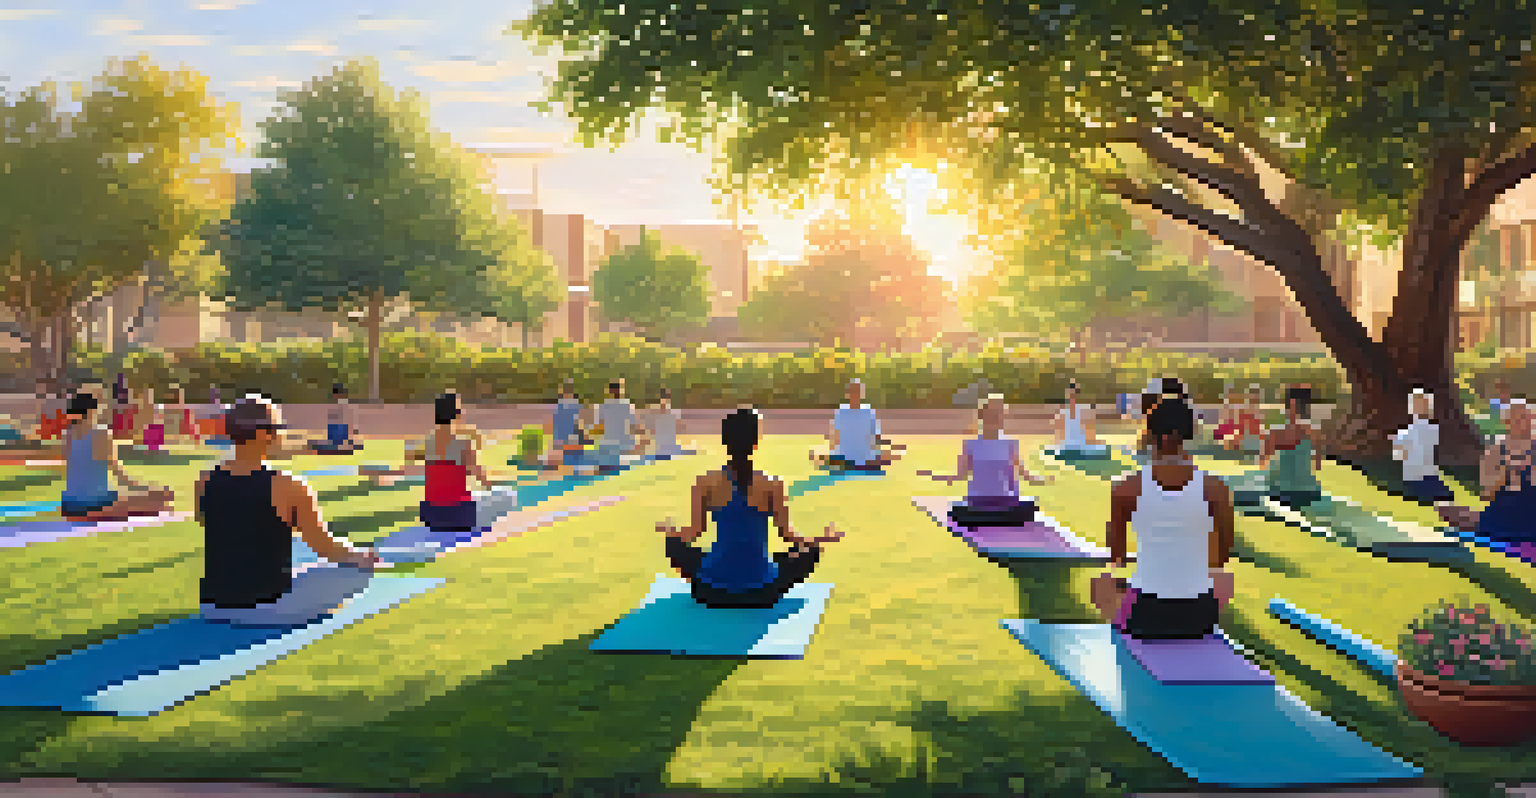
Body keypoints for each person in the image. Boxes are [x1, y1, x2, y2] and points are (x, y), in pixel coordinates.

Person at [196, 396, 381, 627]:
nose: (281, 436)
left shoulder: (204, 479)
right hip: (267, 608)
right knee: (359, 571)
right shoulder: (288, 484)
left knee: (304, 569)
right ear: (265, 434)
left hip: (212, 607)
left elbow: (213, 525)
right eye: (277, 428)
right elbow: (323, 546)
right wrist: (362, 557)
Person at [658, 408, 842, 608]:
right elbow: (789, 536)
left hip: (710, 592)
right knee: (808, 553)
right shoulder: (773, 484)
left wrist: (672, 533)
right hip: (762, 593)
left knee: (674, 546)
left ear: (725, 443)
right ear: (755, 444)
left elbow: (694, 533)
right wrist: (819, 540)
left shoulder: (705, 482)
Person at [1092, 392, 1237, 640]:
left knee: (1101, 585)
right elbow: (1221, 556)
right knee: (1224, 578)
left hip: (1144, 617)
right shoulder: (1217, 488)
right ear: (1189, 433)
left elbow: (1115, 556)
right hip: (1199, 618)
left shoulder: (1126, 487)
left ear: (1151, 434)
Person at [918, 393, 1053, 528]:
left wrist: (1044, 479)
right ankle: (995, 517)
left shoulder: (1011, 444)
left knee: (1031, 505)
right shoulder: (970, 444)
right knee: (957, 511)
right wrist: (932, 475)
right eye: (993, 414)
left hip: (1006, 502)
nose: (997, 418)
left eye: (1000, 414)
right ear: (983, 416)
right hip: (978, 502)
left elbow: (1024, 474)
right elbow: (959, 475)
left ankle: (997, 516)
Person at [57, 392, 176, 521]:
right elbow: (119, 475)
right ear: (92, 411)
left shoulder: (66, 435)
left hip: (69, 505)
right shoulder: (102, 433)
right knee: (161, 499)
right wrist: (147, 488)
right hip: (95, 504)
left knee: (148, 498)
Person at [1438, 399, 1536, 547]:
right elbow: (1487, 493)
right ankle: (1463, 516)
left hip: (1530, 516)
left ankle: (1467, 517)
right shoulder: (1496, 451)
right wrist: (1507, 472)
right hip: (1503, 516)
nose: (1525, 422)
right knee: (1450, 511)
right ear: (1507, 421)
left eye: (1527, 417)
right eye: (1519, 417)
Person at [409, 392, 505, 533]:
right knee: (506, 497)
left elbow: (423, 461)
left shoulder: (426, 443)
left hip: (430, 515)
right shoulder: (463, 444)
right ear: (456, 414)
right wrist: (497, 485)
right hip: (458, 515)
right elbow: (481, 478)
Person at [1259, 385, 1325, 508]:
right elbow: (1317, 466)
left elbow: (1263, 464)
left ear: (1290, 405)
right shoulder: (1315, 433)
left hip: (1282, 493)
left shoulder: (1274, 434)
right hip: (1310, 493)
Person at [814, 379, 900, 470]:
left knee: (889, 455)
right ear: (848, 394)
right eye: (853, 392)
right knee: (889, 455)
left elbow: (876, 437)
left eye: (857, 392)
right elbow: (835, 437)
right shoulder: (841, 412)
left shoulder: (868, 412)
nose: (855, 395)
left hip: (862, 458)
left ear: (861, 394)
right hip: (849, 459)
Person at [1394, 388, 1454, 505]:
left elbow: (1400, 455)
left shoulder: (1430, 429)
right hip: (1416, 478)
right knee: (1444, 496)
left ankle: (1422, 494)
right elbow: (1399, 455)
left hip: (1426, 476)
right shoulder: (1406, 432)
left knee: (1446, 495)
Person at [594, 379, 648, 469]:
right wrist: (644, 435)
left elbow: (599, 426)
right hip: (624, 446)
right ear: (621, 390)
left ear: (609, 391)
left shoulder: (603, 406)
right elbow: (634, 425)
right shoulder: (627, 405)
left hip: (608, 447)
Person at [1053, 380, 1108, 456]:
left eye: (1074, 394)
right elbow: (1059, 434)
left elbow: (1090, 431)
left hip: (1079, 446)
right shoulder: (1062, 413)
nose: (1072, 397)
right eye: (1071, 394)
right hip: (1071, 447)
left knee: (1102, 445)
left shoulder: (1083, 411)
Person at [311, 384, 361, 454]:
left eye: (337, 394)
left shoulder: (345, 406)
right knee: (317, 444)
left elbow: (350, 423)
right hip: (334, 436)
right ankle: (340, 447)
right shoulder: (333, 407)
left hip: (341, 435)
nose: (336, 396)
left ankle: (342, 447)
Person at [647, 387, 687, 458]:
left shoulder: (672, 413)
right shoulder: (657, 414)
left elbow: (681, 427)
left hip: (668, 448)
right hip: (661, 449)